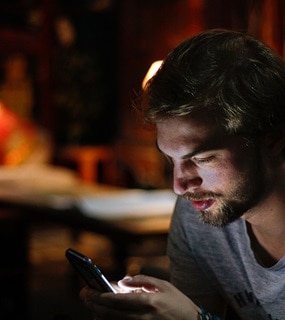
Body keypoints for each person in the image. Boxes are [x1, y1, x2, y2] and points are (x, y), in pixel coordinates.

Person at [79, 29, 285, 320]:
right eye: (170, 160)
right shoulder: (200, 215)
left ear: (274, 140)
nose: (180, 186)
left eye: (202, 158)